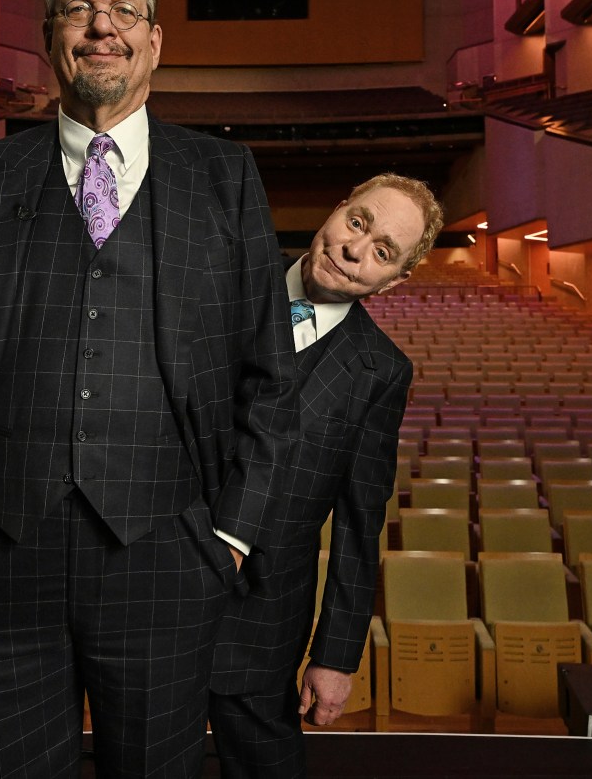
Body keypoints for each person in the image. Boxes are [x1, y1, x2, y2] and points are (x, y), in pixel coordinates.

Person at [0, 0, 298, 779]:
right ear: (49, 38)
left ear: (154, 40)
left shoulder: (224, 177)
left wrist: (230, 535)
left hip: (166, 556)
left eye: (122, 11)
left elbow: (268, 375)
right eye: (78, 8)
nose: (100, 25)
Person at [208, 173, 443, 779]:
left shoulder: (380, 373)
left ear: (397, 279)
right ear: (339, 209)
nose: (354, 250)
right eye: (358, 223)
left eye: (384, 252)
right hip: (148, 591)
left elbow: (360, 527)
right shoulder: (219, 281)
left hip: (263, 619)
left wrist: (336, 656)